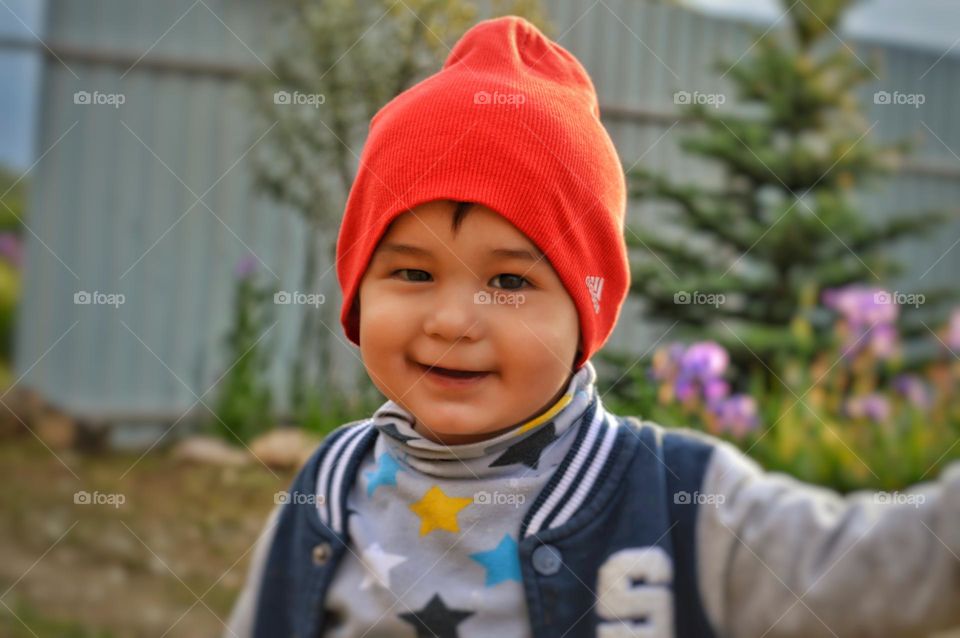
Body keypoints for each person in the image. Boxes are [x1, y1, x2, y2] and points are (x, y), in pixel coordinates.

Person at [224, 15, 960, 638]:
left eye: (510, 282)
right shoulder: (327, 492)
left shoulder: (678, 503)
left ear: (586, 312)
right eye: (412, 272)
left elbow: (896, 566)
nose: (451, 320)